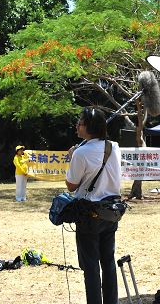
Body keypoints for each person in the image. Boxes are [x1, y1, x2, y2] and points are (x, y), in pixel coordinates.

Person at [65, 107, 122, 304]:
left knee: (90, 265)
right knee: (108, 262)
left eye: (79, 123)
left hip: (89, 214)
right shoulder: (113, 147)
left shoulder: (80, 153)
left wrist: (73, 156)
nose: (77, 126)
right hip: (111, 211)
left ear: (88, 127)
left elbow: (71, 185)